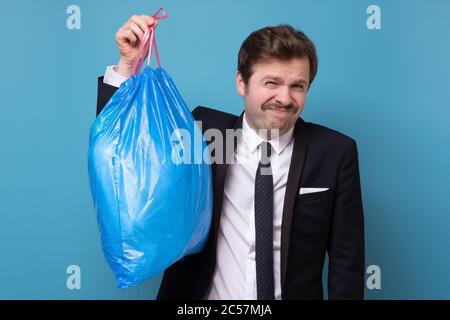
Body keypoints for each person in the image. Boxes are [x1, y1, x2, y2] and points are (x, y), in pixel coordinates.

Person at [96, 15, 365, 300]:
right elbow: (121, 153)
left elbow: (347, 264)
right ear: (241, 83)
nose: (285, 98)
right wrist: (127, 65)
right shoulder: (203, 133)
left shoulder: (335, 152)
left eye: (297, 86)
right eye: (271, 83)